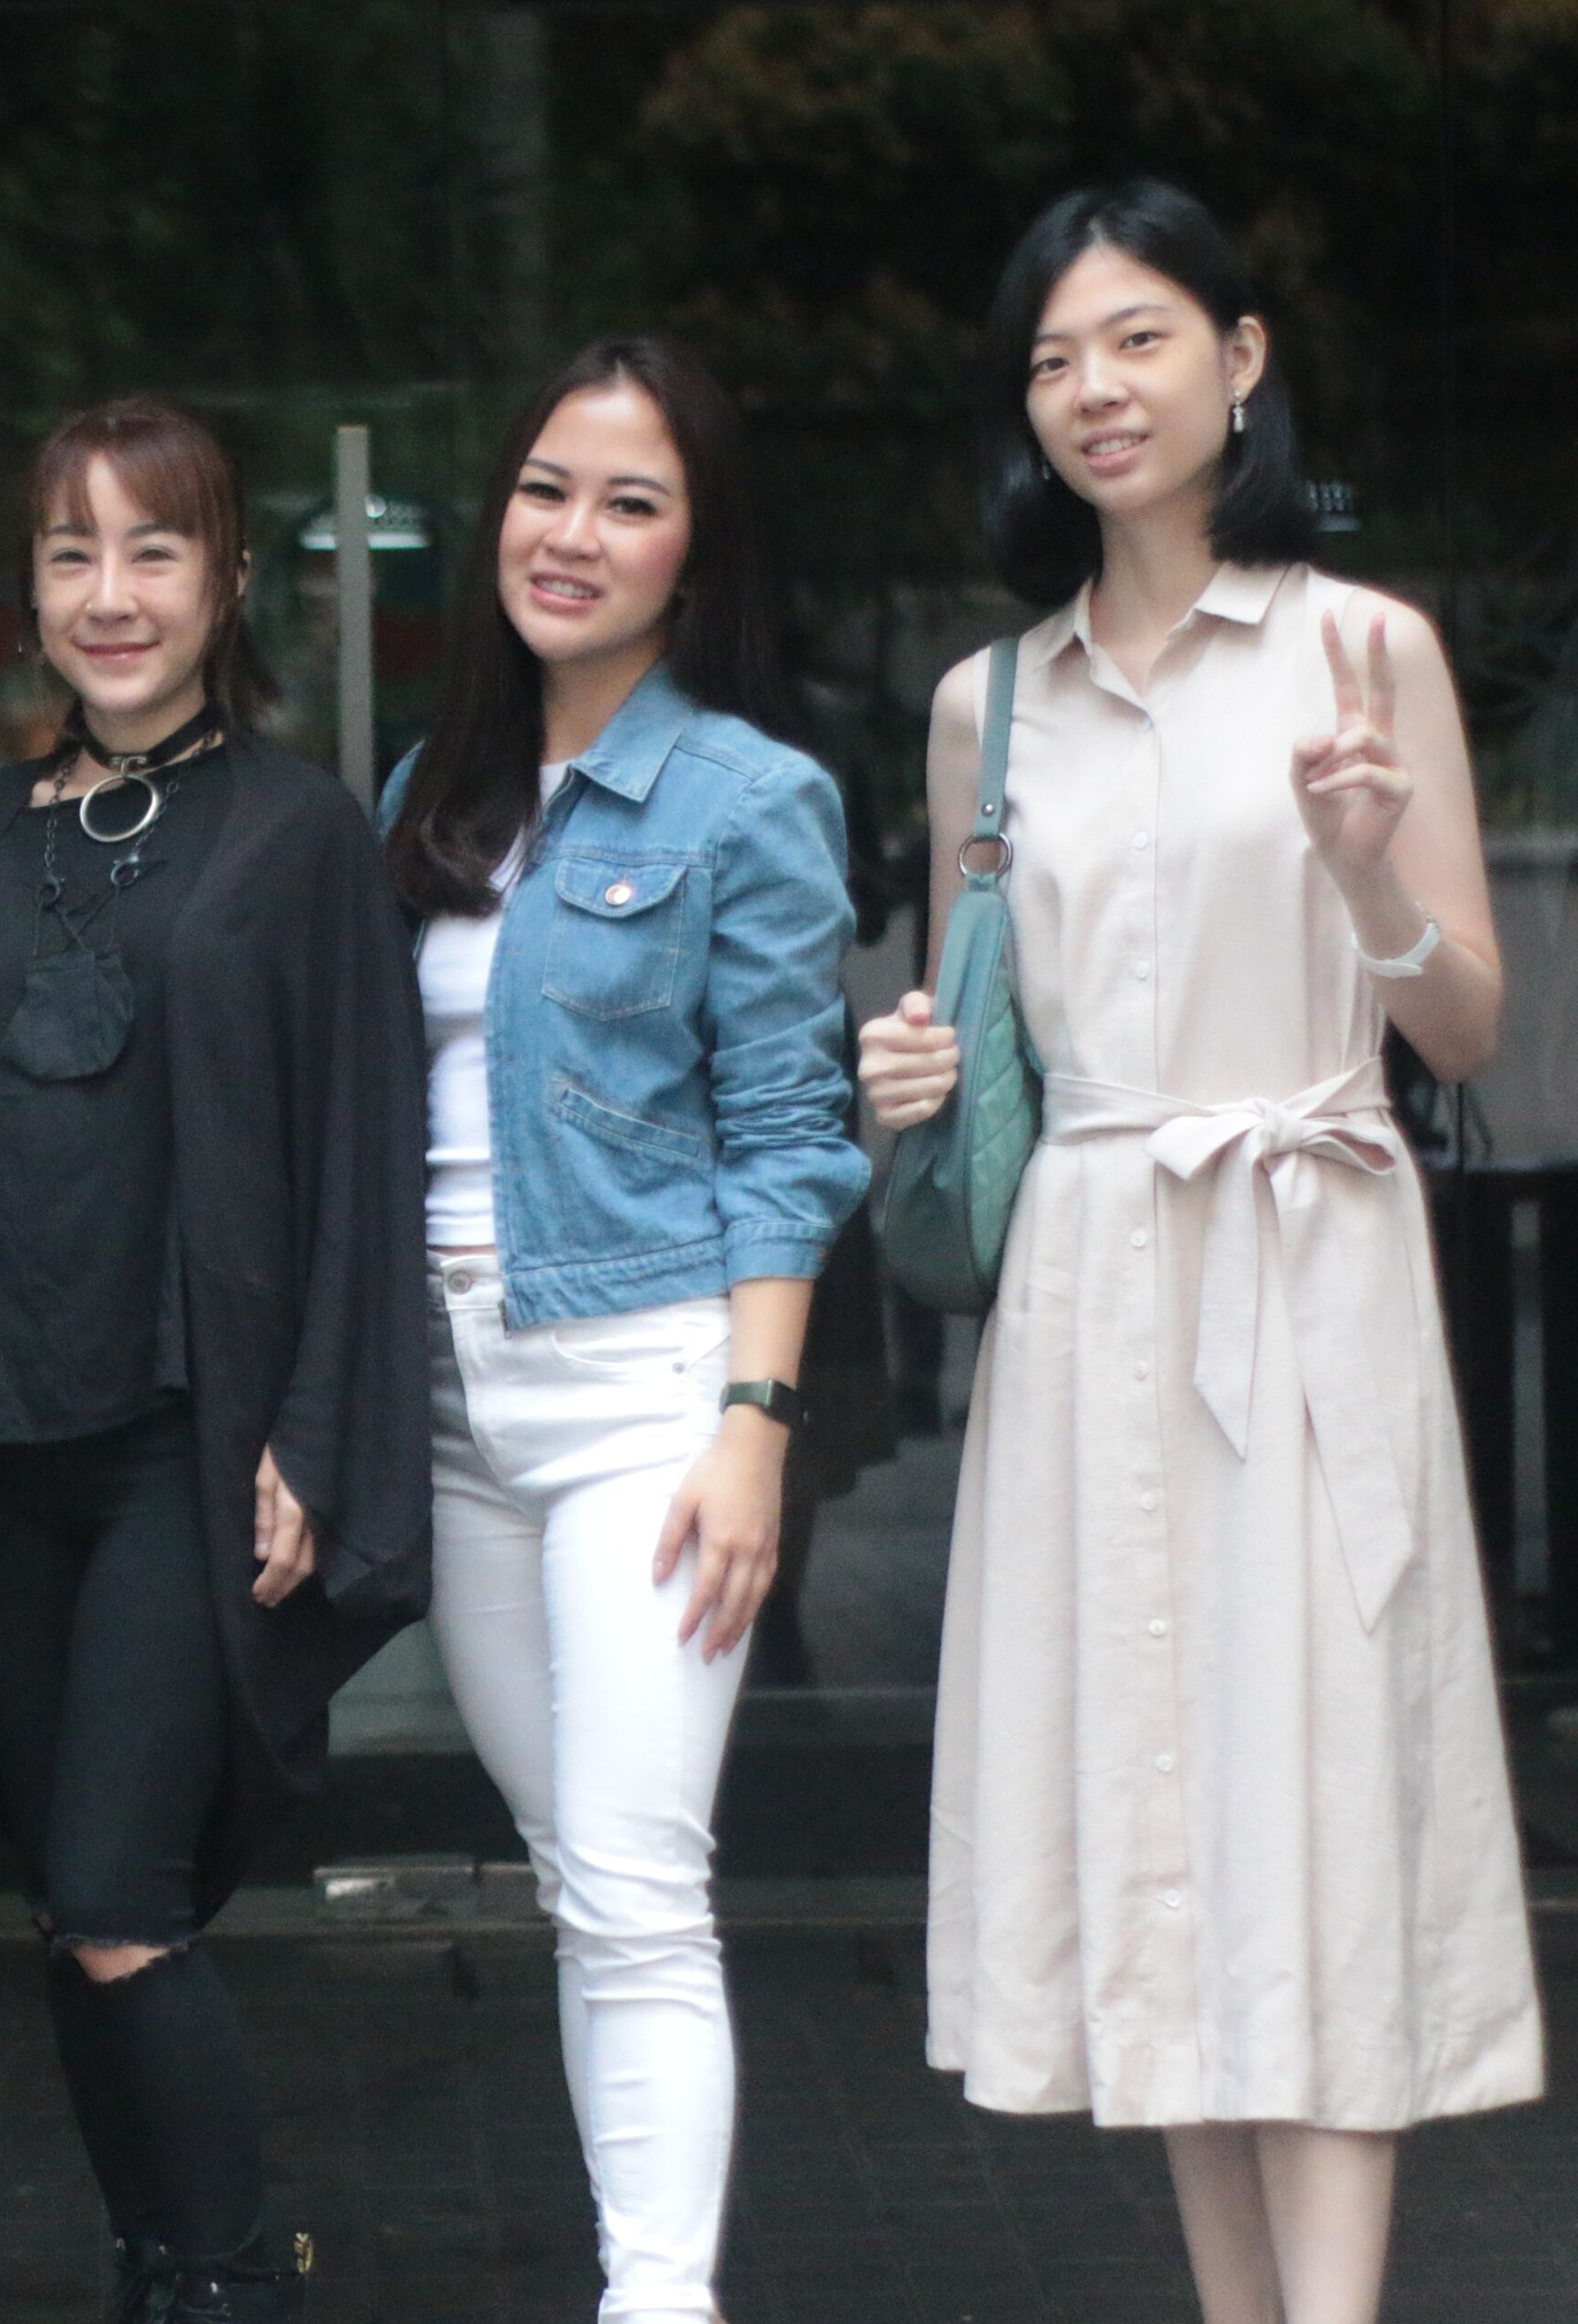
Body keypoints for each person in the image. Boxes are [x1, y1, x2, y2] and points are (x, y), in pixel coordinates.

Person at [858, 180, 1542, 2322]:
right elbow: (995, 1040)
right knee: (1152, 1815)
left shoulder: (1368, 647)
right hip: (1090, 1285)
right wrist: (910, 1070)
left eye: (1138, 339)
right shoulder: (994, 700)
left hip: (1308, 1262)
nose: (1094, 392)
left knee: (1318, 1809)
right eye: (1055, 358)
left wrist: (1365, 872)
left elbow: (1466, 1021)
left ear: (1241, 358)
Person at [0, 398, 432, 2323]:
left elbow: (364, 1161)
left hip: (185, 1451)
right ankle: (158, 2264)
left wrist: (317, 1428)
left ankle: (220, 2278)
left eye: (154, 551)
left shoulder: (295, 834)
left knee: (118, 1895)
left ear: (229, 581)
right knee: (76, 1905)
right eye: (70, 554)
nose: (109, 596)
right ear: (24, 586)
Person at [385, 338, 869, 2323]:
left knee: (638, 1888)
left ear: (697, 550)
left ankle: (658, 2302)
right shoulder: (438, 787)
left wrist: (755, 1416)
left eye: (632, 501)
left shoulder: (753, 794)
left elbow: (784, 1125)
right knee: (582, 1875)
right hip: (446, 1407)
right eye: (546, 488)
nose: (572, 535)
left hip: (646, 1399)